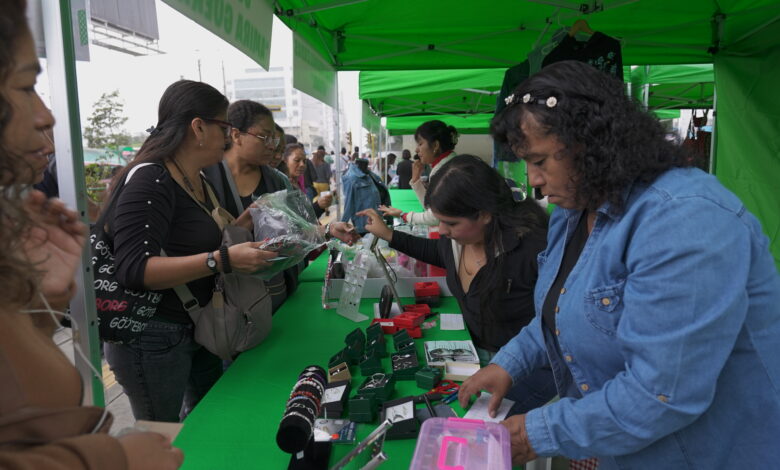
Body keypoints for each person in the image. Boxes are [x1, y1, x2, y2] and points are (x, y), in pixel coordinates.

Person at [458, 60, 780, 468]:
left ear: (590, 144)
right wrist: (508, 363)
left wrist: (530, 434)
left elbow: (662, 394)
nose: (533, 180)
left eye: (540, 161)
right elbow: (562, 313)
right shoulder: (574, 211)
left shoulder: (685, 219)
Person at [0, 1, 183, 467]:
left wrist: (38, 304)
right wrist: (112, 458)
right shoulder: (150, 177)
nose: (47, 117)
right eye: (25, 85)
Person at [101, 80, 275, 423]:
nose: (227, 138)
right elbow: (135, 269)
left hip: (196, 326)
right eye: (224, 127)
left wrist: (249, 220)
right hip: (152, 338)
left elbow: (206, 237)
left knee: (206, 425)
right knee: (161, 437)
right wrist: (221, 260)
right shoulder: (151, 179)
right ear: (198, 127)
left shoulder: (196, 179)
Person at [358, 155, 554, 413]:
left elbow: (552, 331)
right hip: (479, 353)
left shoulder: (534, 250)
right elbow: (437, 251)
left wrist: (507, 365)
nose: (441, 230)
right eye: (439, 220)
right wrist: (388, 235)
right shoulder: (459, 241)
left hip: (529, 369)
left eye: (451, 223)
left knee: (484, 432)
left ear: (484, 215)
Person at [205, 100, 356, 312]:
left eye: (274, 138)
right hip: (223, 300)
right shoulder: (206, 178)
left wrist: (327, 229)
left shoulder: (277, 181)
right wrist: (244, 223)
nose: (272, 145)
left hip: (275, 292)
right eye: (264, 137)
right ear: (236, 135)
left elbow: (298, 233)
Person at [379, 120, 458, 225]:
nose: (416, 150)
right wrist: (416, 179)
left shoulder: (447, 170)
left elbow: (436, 216)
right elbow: (430, 206)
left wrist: (403, 215)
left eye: (420, 144)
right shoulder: (443, 166)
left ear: (435, 145)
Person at [279, 143, 332, 218]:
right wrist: (318, 205)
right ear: (285, 160)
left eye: (304, 161)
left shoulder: (296, 183)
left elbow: (306, 217)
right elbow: (298, 220)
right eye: (297, 160)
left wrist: (319, 205)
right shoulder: (281, 187)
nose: (302, 165)